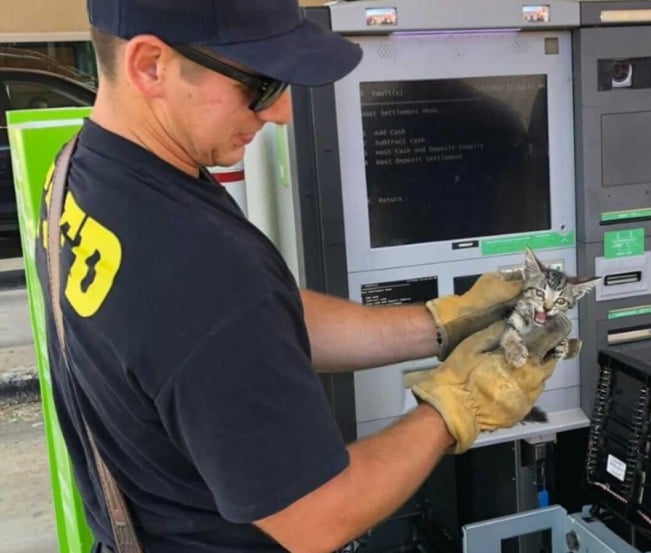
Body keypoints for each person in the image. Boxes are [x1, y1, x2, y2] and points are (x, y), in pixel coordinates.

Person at [36, 0, 572, 551]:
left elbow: (258, 323)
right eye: (261, 83)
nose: (282, 112)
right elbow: (320, 517)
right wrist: (458, 402)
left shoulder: (84, 172)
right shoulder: (198, 268)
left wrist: (439, 325)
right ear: (151, 65)